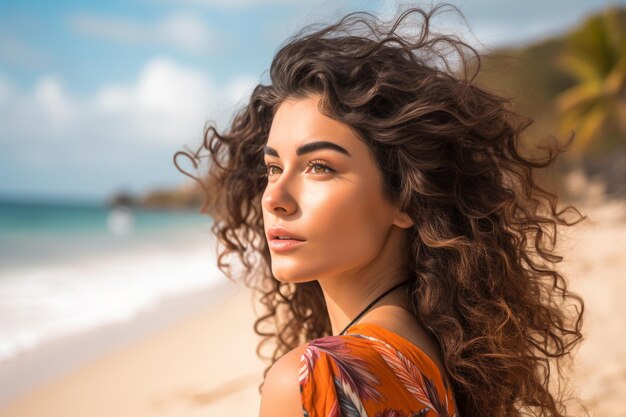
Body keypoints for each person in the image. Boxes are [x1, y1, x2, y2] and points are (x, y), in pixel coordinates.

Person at [175, 3, 589, 417]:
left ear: (405, 198)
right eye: (273, 168)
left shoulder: (315, 380)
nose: (274, 197)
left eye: (319, 167)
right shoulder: (434, 356)